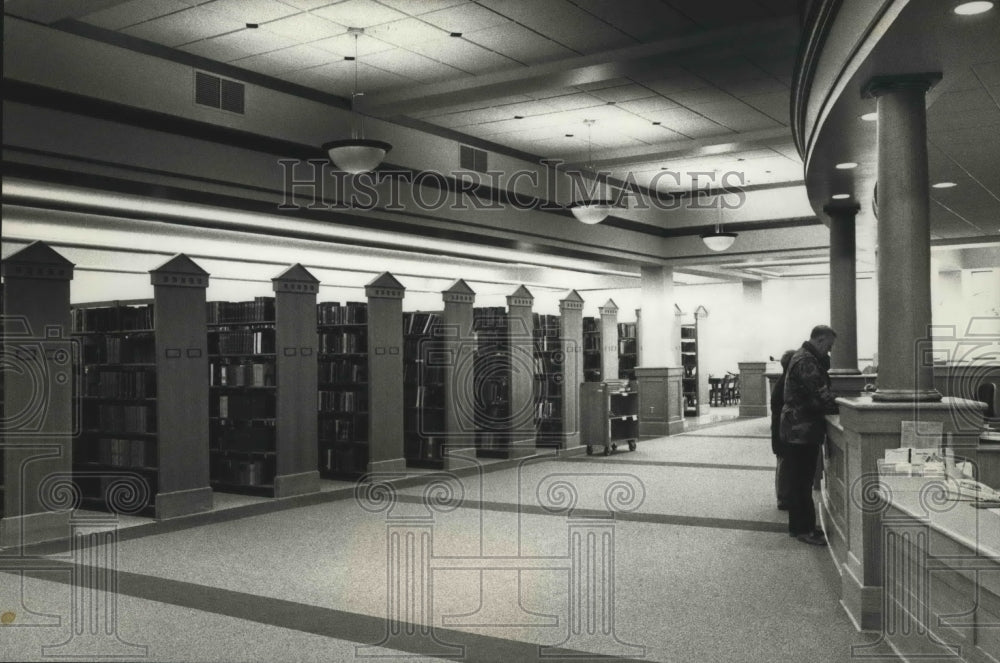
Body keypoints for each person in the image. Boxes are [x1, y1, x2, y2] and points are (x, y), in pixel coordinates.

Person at [781, 325, 839, 546]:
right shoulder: (806, 360)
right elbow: (820, 393)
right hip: (800, 429)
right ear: (821, 340)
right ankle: (803, 530)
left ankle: (801, 526)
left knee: (800, 481)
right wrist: (839, 406)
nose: (829, 351)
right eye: (829, 346)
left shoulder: (804, 356)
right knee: (802, 482)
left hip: (798, 427)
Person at [771, 349, 795, 510]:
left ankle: (783, 496)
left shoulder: (782, 382)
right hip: (783, 430)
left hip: (780, 429)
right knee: (784, 463)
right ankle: (783, 498)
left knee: (783, 463)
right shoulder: (785, 384)